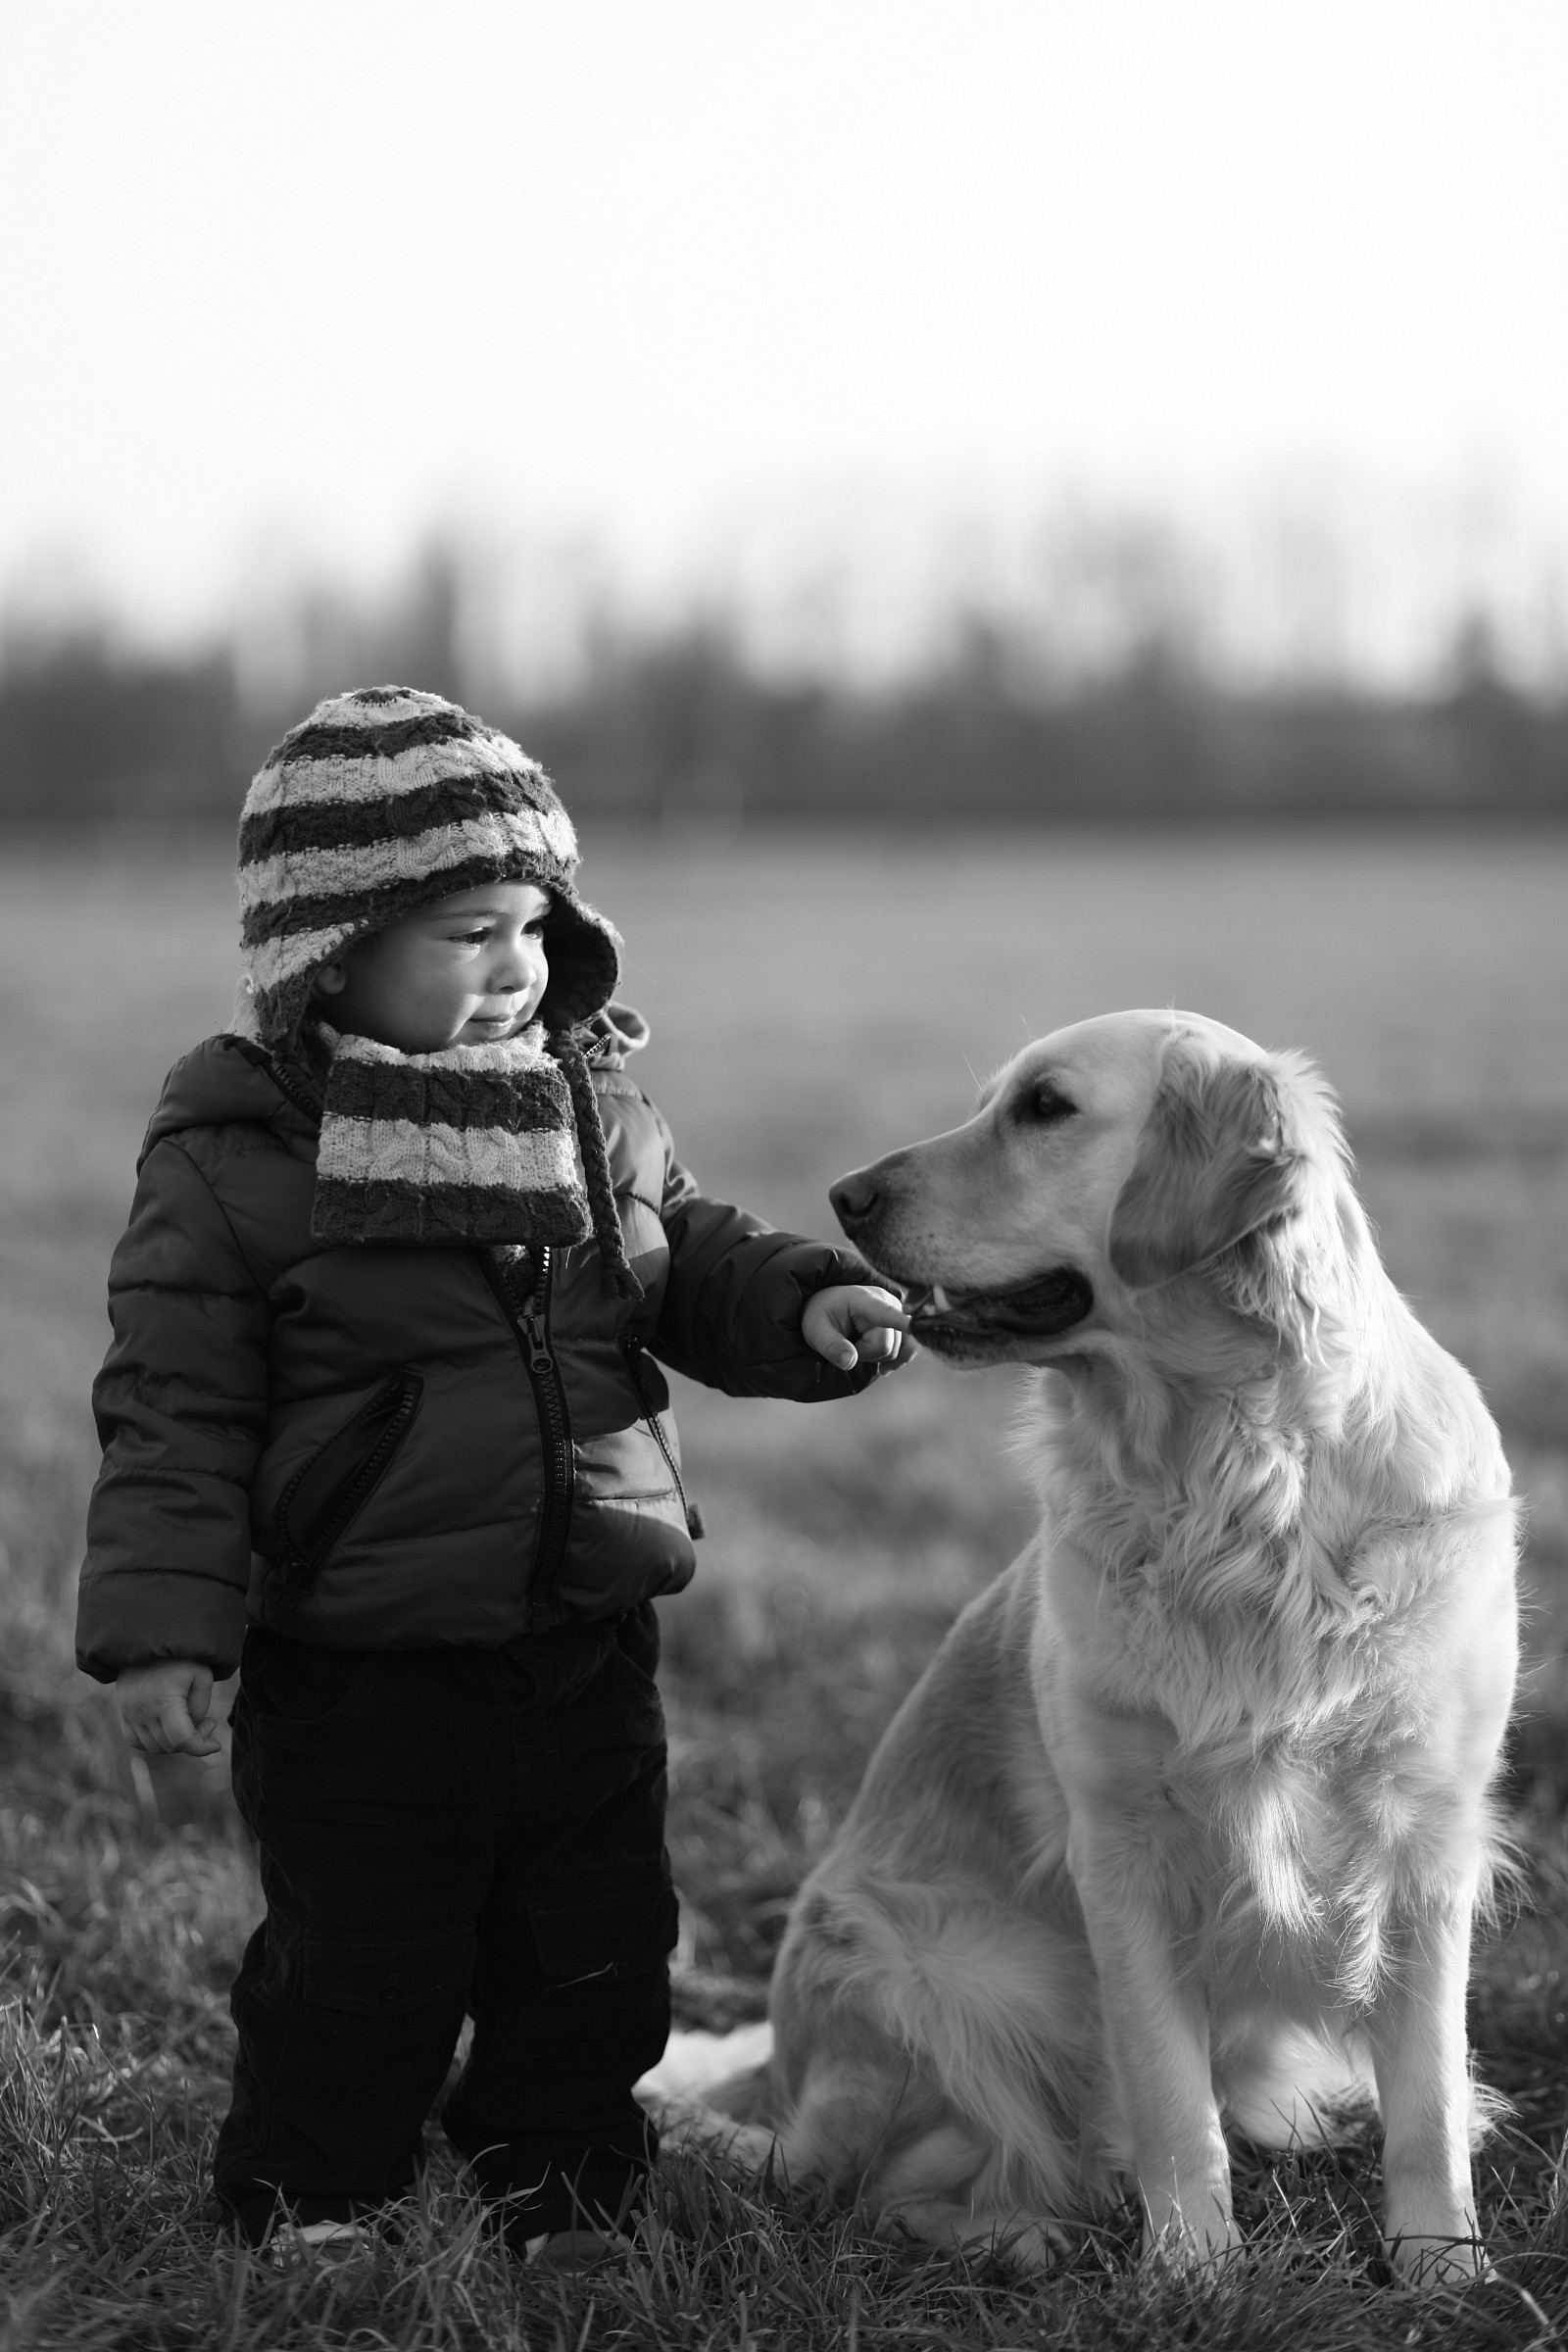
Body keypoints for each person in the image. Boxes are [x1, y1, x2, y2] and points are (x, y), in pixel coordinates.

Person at [75, 685, 910, 2267]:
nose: (514, 966)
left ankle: (565, 2185)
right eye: (463, 933)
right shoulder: (243, 1160)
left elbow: (687, 1259)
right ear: (328, 954)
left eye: (530, 923)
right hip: (361, 1666)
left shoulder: (588, 1105)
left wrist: (800, 1302)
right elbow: (173, 1407)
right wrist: (169, 1624)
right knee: (360, 1960)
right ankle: (315, 2195)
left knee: (593, 1951)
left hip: (583, 1636)